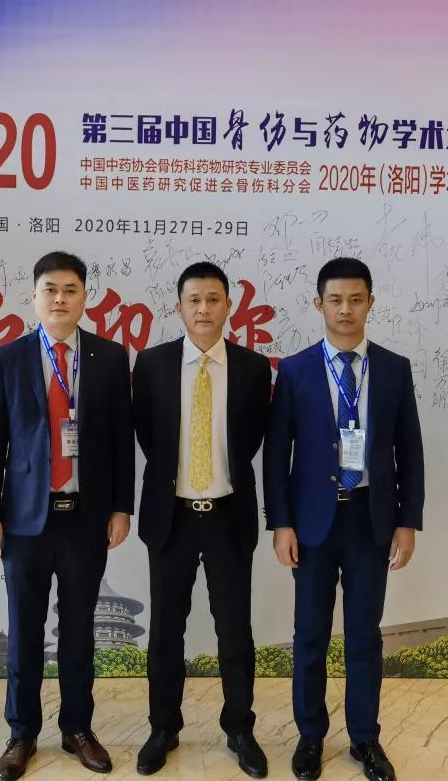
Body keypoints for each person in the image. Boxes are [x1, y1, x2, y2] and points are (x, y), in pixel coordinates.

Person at [263, 257, 425, 781]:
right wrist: (281, 523)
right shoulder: (295, 370)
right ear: (319, 305)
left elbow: (409, 449)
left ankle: (364, 738)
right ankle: (310, 736)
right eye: (335, 300)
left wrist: (408, 520)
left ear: (370, 303)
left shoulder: (394, 368)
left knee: (363, 635)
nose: (346, 309)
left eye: (356, 299)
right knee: (309, 633)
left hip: (371, 521)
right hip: (312, 523)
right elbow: (277, 452)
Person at [0, 251, 135, 781]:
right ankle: (21, 733)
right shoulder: (8, 358)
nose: (60, 299)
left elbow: (121, 441)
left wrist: (121, 507)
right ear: (34, 296)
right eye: (50, 289)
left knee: (79, 632)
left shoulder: (108, 358)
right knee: (24, 632)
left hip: (85, 519)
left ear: (85, 297)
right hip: (24, 522)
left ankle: (77, 729)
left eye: (70, 290)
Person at [132, 262, 273, 778]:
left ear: (228, 306)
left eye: (213, 299)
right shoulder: (152, 364)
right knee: (165, 631)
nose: (204, 309)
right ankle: (163, 728)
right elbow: (148, 437)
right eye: (194, 300)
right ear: (179, 307)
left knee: (234, 630)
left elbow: (252, 439)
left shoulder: (254, 368)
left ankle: (239, 728)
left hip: (228, 517)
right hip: (171, 516)